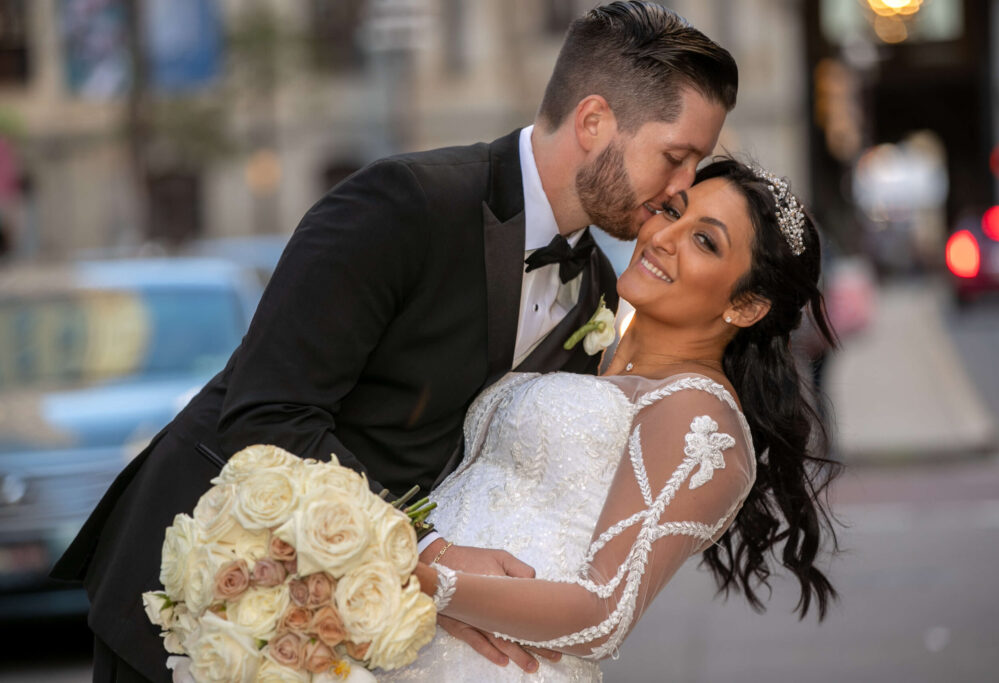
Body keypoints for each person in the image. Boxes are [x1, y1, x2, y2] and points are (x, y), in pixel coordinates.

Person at [50, 3, 738, 680]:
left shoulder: (594, 292)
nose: (682, 191)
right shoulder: (403, 204)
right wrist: (431, 556)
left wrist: (441, 585)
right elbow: (268, 414)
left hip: (342, 627)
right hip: (201, 588)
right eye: (676, 159)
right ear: (593, 122)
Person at [383, 158, 841, 681]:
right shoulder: (591, 354)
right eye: (672, 210)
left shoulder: (699, 412)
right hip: (400, 638)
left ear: (746, 305)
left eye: (705, 242)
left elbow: (603, 613)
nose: (665, 237)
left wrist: (412, 581)